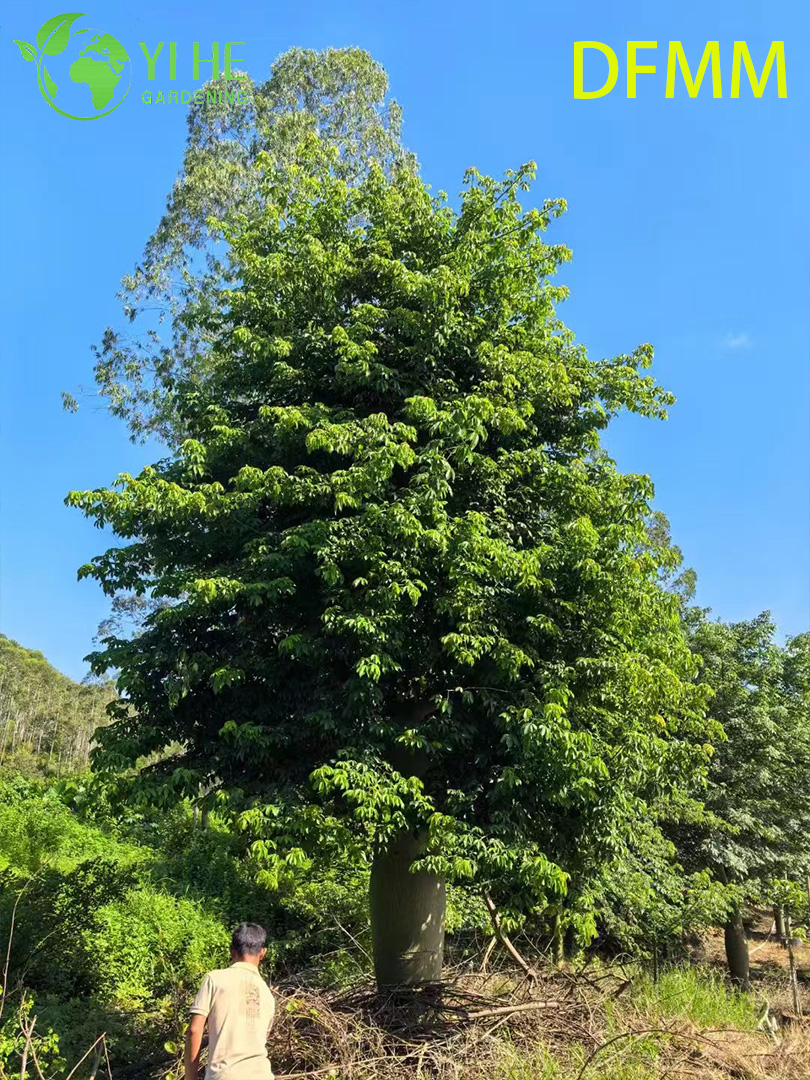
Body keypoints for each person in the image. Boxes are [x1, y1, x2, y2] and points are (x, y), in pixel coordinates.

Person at [185, 922, 276, 1080]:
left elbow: (194, 1031)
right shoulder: (267, 995)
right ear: (263, 953)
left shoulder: (215, 979)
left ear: (231, 952)